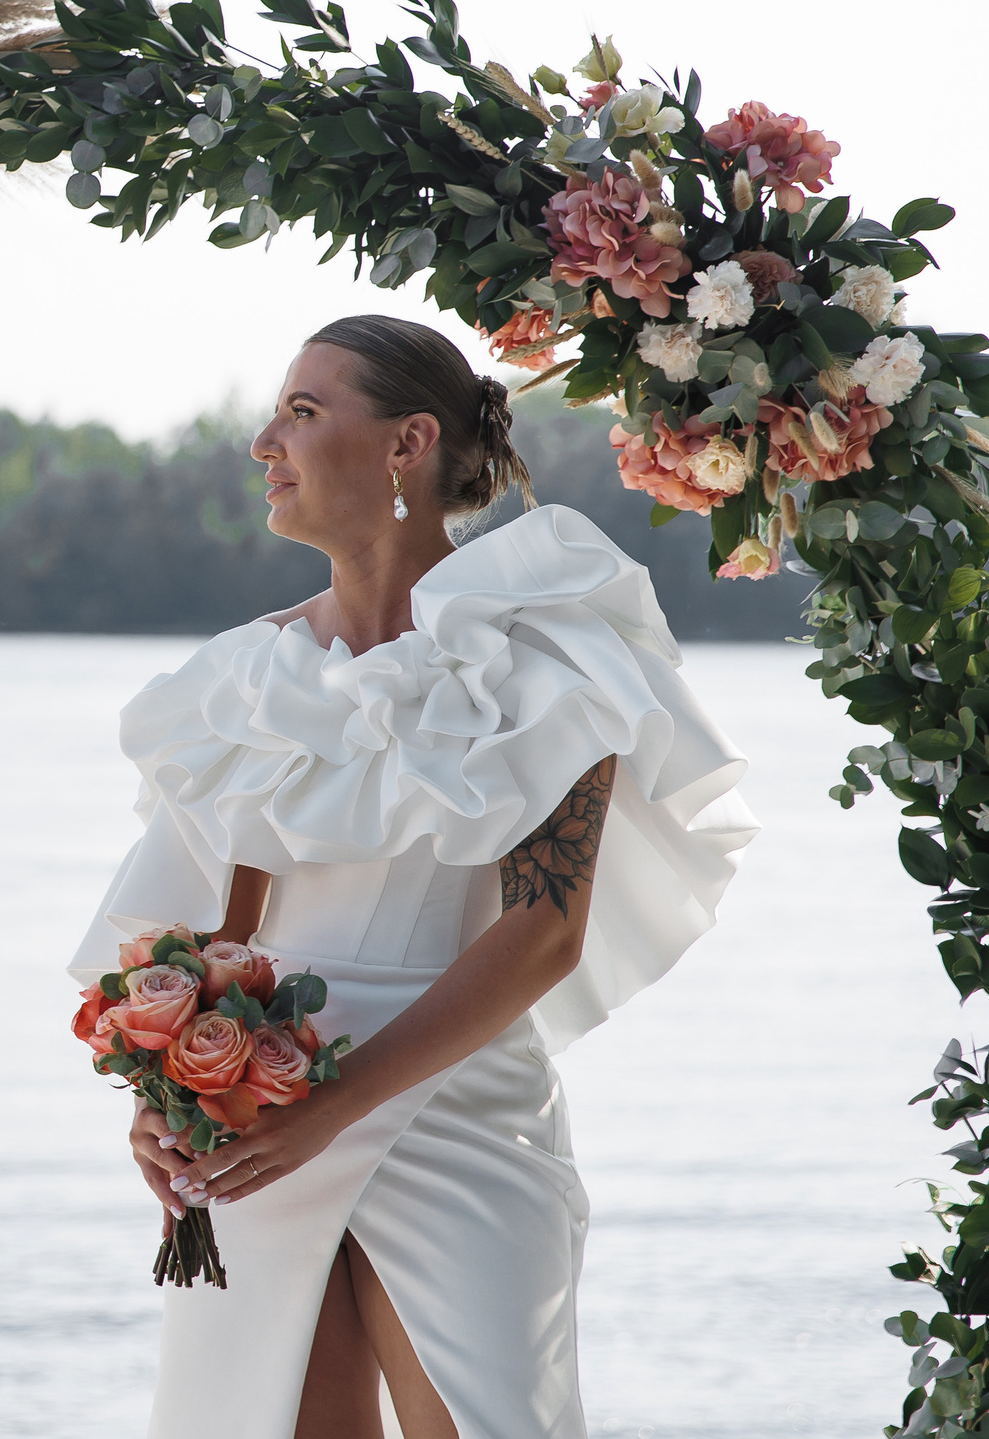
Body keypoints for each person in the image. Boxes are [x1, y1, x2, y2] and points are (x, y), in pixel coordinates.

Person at [72, 315, 755, 1439]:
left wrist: (335, 1108)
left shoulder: (545, 654)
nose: (263, 443)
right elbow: (212, 938)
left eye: (302, 412)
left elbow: (544, 932)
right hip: (261, 1120)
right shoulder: (248, 677)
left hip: (455, 1107)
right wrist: (166, 1102)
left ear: (408, 443)